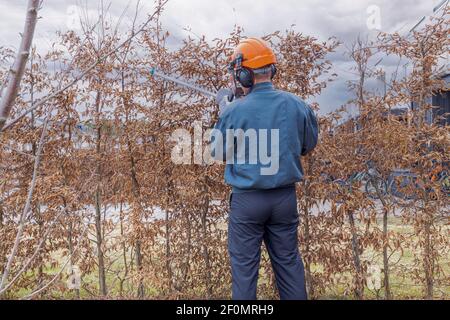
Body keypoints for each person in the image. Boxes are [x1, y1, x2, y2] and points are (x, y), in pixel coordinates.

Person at [211, 37, 319, 300]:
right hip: (284, 199)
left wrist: (225, 110)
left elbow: (217, 152)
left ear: (244, 74)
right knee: (289, 264)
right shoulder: (298, 105)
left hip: (247, 202)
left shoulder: (234, 111)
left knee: (245, 273)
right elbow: (307, 145)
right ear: (272, 69)